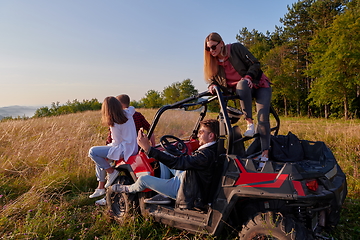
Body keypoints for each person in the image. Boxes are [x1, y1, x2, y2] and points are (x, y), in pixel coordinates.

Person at [110, 119, 219, 210]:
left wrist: (148, 148)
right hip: (190, 178)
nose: (199, 135)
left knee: (144, 180)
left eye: (201, 132)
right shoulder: (214, 148)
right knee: (164, 154)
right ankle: (163, 194)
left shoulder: (204, 156)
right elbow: (185, 161)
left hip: (185, 188)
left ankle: (128, 189)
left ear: (211, 136)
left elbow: (176, 162)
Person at [204, 32, 271, 166]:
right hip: (241, 92)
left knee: (263, 117)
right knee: (224, 118)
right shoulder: (214, 63)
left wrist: (248, 77)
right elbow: (213, 80)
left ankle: (264, 152)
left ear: (221, 43)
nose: (211, 51)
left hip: (258, 84)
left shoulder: (235, 49)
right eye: (208, 49)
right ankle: (226, 153)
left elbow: (255, 64)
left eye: (213, 47)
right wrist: (212, 85)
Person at [96, 94, 155, 206]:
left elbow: (111, 139)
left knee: (111, 170)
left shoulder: (117, 117)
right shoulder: (137, 115)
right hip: (139, 151)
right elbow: (150, 130)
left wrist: (107, 149)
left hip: (124, 151)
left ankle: (107, 195)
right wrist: (152, 149)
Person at [88, 96, 138, 201]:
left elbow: (116, 142)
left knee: (93, 152)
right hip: (132, 147)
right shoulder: (128, 113)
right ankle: (101, 188)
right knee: (101, 158)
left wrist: (108, 149)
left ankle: (111, 172)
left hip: (124, 149)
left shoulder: (115, 122)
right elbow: (132, 107)